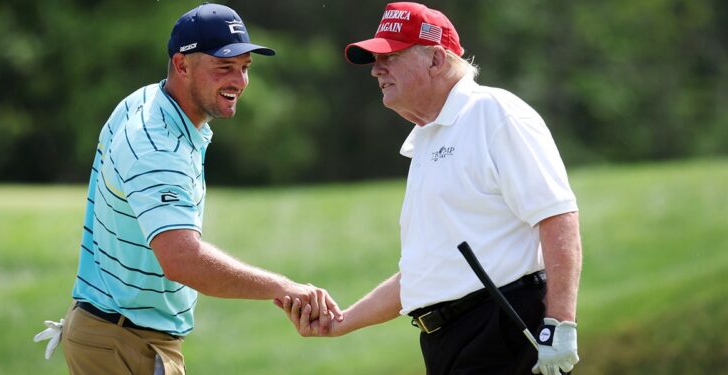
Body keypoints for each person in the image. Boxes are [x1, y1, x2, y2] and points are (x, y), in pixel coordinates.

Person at [33, 3, 341, 374]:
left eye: (245, 68)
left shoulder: (150, 102)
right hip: (124, 342)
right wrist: (283, 287)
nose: (240, 81)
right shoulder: (156, 144)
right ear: (182, 65)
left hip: (115, 334)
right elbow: (182, 260)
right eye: (224, 66)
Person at [279, 2, 582, 375]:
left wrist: (561, 324)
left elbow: (557, 216)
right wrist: (341, 322)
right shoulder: (426, 139)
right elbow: (423, 273)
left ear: (436, 60)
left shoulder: (494, 113)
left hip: (503, 325)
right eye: (376, 59)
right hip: (446, 341)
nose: (376, 69)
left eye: (391, 56)